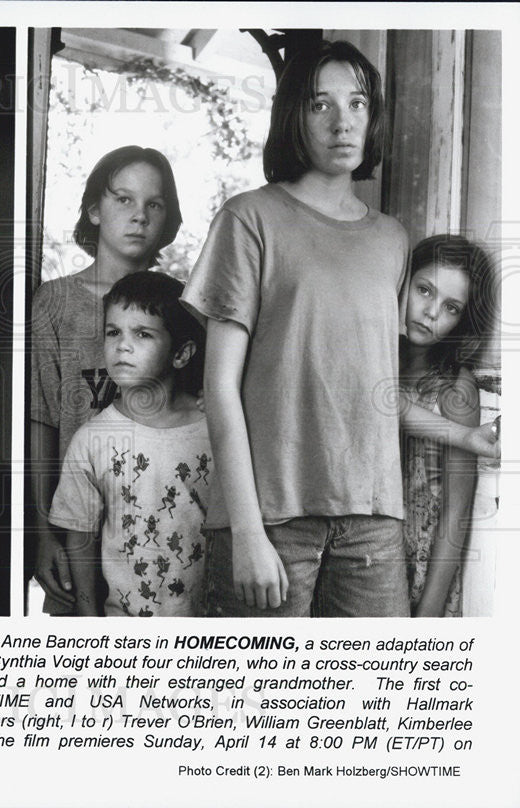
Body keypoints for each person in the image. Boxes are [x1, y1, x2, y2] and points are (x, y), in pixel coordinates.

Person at [183, 40, 497, 618]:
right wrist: (247, 532)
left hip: (375, 522)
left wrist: (466, 436)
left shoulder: (392, 239)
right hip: (273, 518)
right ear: (293, 117)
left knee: (373, 701)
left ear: (373, 117)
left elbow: (368, 387)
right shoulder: (248, 218)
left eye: (357, 103)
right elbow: (220, 390)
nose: (342, 121)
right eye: (320, 104)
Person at [30, 145, 182, 614]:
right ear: (95, 209)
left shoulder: (183, 304)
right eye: (123, 200)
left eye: (154, 205)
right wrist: (41, 534)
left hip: (166, 533)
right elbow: (41, 424)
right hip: (80, 539)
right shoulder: (54, 303)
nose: (139, 216)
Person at [47, 271, 208, 616]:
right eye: (113, 332)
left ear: (181, 353)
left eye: (143, 334)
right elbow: (80, 538)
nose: (122, 345)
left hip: (212, 628)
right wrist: (89, 620)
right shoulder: (92, 440)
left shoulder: (216, 430)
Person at [400, 235, 497, 616]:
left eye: (451, 307)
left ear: (462, 320)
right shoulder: (376, 364)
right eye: (424, 290)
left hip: (420, 576)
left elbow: (456, 514)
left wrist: (426, 617)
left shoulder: (456, 389)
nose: (431, 312)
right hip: (359, 557)